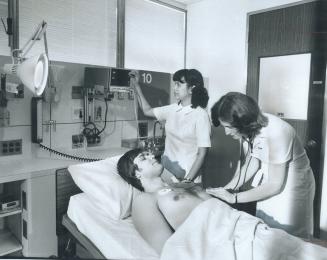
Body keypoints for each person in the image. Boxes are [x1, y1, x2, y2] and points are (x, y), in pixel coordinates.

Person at [207, 92, 315, 238]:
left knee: (290, 238)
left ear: (243, 122)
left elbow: (275, 184)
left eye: (229, 127)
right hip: (270, 181)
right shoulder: (250, 129)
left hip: (292, 188)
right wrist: (228, 189)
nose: (226, 132)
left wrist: (234, 198)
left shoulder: (278, 132)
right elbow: (253, 163)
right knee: (268, 233)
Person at [117, 148, 212, 254]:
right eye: (143, 158)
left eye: (149, 154)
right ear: (136, 174)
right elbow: (169, 251)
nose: (152, 156)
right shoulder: (144, 200)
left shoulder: (182, 185)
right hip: (217, 243)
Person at [129, 69, 211, 184]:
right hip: (167, 171)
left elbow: (202, 154)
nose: (175, 88)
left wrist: (187, 181)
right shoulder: (172, 109)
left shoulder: (201, 115)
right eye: (174, 84)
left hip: (188, 177)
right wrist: (137, 86)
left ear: (192, 88)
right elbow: (147, 110)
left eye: (179, 84)